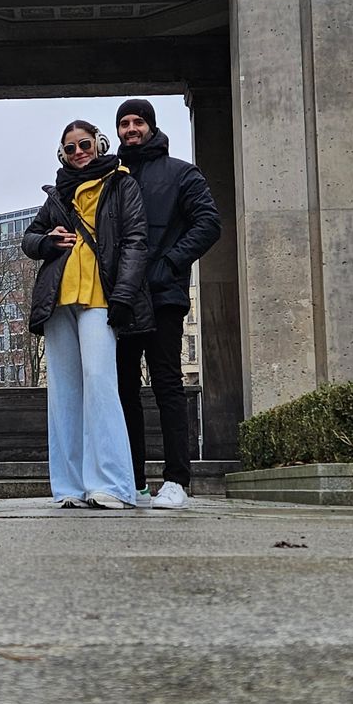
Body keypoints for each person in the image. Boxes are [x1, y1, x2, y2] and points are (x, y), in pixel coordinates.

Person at [22, 119, 155, 510]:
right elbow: (29, 239)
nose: (78, 152)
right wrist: (47, 242)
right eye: (70, 148)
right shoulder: (57, 195)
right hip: (58, 298)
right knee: (64, 392)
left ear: (99, 144)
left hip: (100, 295)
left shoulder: (121, 183)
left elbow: (136, 242)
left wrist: (125, 294)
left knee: (99, 381)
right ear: (62, 154)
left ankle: (113, 484)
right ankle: (69, 487)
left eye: (84, 144)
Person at [114, 98, 221, 511]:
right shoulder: (113, 176)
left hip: (163, 295)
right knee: (123, 390)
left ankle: (176, 480)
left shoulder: (181, 173)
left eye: (138, 122)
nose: (131, 129)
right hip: (121, 299)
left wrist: (171, 263)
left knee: (167, 385)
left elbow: (208, 224)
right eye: (124, 123)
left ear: (151, 126)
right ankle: (134, 482)